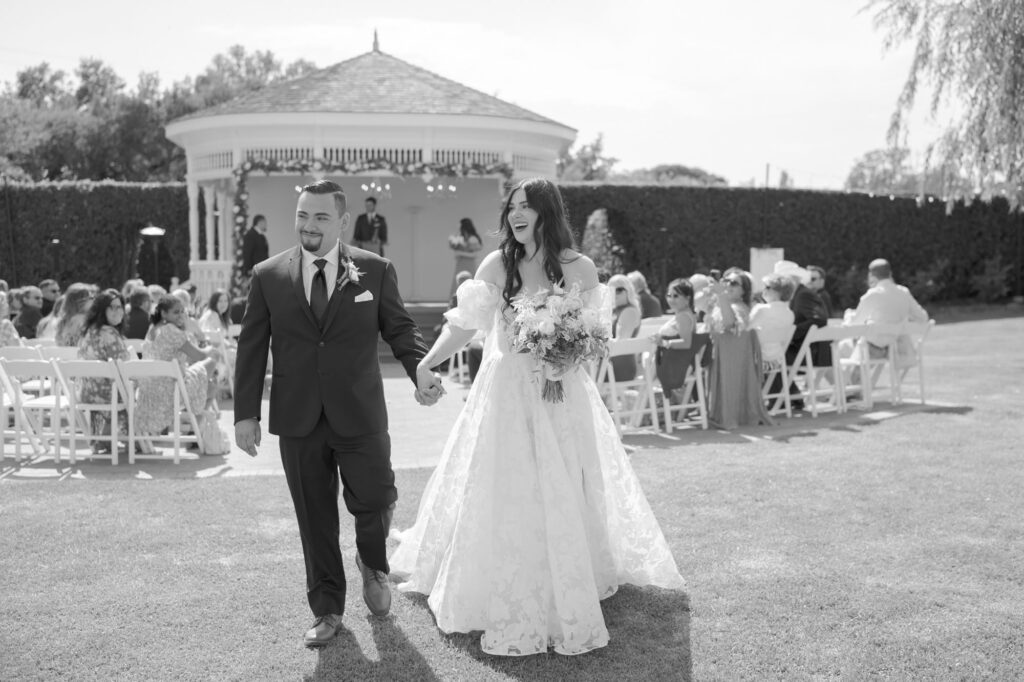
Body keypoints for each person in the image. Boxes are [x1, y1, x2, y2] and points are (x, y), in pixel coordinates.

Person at [390, 177, 684, 657]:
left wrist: (566, 357)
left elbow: (594, 336)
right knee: (506, 482)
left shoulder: (581, 268)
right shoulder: (496, 264)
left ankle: (571, 571)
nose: (516, 214)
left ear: (548, 211)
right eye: (512, 207)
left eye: (527, 206)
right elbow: (465, 326)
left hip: (562, 394)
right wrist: (426, 362)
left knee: (566, 479)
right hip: (506, 391)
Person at [233, 179, 435, 649]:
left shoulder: (375, 270)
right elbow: (251, 345)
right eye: (303, 215)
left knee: (378, 497)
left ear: (343, 222)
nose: (309, 225)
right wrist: (246, 413)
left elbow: (401, 329)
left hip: (360, 411)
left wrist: (420, 371)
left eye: (321, 217)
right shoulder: (267, 275)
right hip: (297, 415)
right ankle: (327, 609)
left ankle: (373, 563)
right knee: (314, 515)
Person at [135, 295, 219, 438]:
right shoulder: (171, 330)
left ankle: (192, 427)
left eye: (182, 311)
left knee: (208, 383)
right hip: (170, 391)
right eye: (176, 312)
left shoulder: (153, 329)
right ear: (164, 313)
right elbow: (199, 356)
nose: (181, 315)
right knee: (213, 365)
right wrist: (211, 351)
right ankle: (194, 430)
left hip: (148, 391)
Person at [706, 269, 773, 429]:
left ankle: (732, 415)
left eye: (734, 283)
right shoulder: (726, 304)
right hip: (726, 355)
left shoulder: (738, 307)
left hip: (732, 357)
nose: (728, 284)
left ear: (744, 291)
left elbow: (730, 324)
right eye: (726, 280)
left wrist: (721, 295)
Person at [77, 289, 134, 455]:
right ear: (102, 310)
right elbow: (123, 365)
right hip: (110, 394)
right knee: (142, 388)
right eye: (111, 307)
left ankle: (103, 437)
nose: (117, 311)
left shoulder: (89, 331)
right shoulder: (109, 332)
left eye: (119, 307)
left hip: (88, 392)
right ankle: (136, 439)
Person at [841, 258, 928, 364]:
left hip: (871, 349)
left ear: (871, 275)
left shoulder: (873, 294)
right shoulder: (903, 292)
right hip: (894, 349)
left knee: (840, 348)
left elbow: (854, 324)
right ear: (890, 273)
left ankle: (843, 379)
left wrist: (848, 317)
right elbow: (923, 318)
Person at [651, 278, 700, 402]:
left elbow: (686, 343)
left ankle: (642, 412)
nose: (671, 299)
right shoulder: (684, 314)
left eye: (676, 296)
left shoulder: (683, 316)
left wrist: (663, 343)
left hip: (674, 367)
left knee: (641, 375)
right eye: (669, 295)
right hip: (675, 364)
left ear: (687, 298)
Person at [749, 273, 796, 362]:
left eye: (767, 287)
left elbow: (744, 331)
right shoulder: (790, 314)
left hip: (756, 362)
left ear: (778, 291)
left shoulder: (761, 309)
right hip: (775, 362)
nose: (763, 289)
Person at [605, 273, 641, 382]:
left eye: (619, 290)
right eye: (610, 290)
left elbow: (621, 342)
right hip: (608, 364)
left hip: (620, 367)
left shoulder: (629, 311)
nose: (614, 293)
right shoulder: (613, 311)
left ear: (628, 290)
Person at [448, 218, 483, 296]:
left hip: (468, 264)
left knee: (469, 282)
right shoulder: (460, 238)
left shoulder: (472, 238)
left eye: (460, 225)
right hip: (461, 264)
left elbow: (474, 254)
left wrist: (460, 253)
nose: (458, 227)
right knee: (458, 283)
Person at [55, 283, 95, 347]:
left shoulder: (62, 320)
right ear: (81, 301)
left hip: (64, 355)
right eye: (91, 297)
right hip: (80, 355)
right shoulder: (84, 320)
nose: (94, 300)